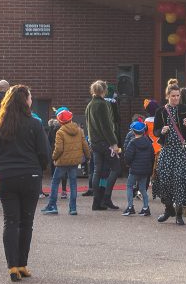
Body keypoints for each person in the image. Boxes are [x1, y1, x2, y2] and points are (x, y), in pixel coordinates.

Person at [0, 85, 51, 281]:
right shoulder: (35, 124)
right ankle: (22, 263)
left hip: (6, 176)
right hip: (30, 175)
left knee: (10, 221)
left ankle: (12, 266)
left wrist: (0, 168)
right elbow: (44, 153)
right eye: (30, 97)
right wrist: (38, 168)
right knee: (26, 222)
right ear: (26, 101)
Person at [153, 80, 186, 224]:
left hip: (181, 150)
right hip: (167, 149)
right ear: (167, 96)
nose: (176, 98)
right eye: (173, 96)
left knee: (179, 179)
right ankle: (168, 208)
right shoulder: (161, 111)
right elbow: (155, 131)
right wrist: (161, 131)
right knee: (164, 179)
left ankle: (179, 214)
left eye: (177, 96)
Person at [45, 109, 89, 216]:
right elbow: (85, 146)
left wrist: (53, 157)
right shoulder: (79, 130)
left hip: (62, 162)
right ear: (71, 119)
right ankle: (73, 208)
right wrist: (88, 157)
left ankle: (52, 206)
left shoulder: (60, 132)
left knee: (55, 182)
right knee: (73, 184)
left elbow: (58, 149)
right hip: (74, 161)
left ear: (60, 122)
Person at [86, 80, 121, 211]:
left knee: (97, 171)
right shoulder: (103, 104)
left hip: (94, 143)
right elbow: (107, 126)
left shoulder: (89, 105)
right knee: (116, 168)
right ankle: (106, 198)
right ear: (104, 91)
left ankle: (97, 201)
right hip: (105, 143)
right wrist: (114, 143)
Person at [123, 120, 154, 217]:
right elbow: (152, 156)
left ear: (133, 131)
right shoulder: (148, 142)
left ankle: (130, 207)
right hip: (145, 170)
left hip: (134, 169)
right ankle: (145, 208)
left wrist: (128, 164)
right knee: (142, 189)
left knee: (129, 186)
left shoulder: (132, 143)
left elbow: (128, 156)